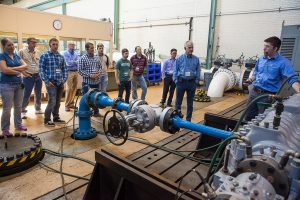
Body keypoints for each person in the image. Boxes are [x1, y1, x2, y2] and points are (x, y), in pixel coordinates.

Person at [245, 36, 300, 121]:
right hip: (254, 93)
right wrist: (250, 80)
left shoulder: (283, 63)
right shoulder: (261, 59)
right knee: (248, 117)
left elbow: (292, 79)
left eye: (267, 46)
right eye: (264, 46)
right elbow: (256, 73)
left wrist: (299, 90)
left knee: (262, 120)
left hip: (267, 96)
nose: (264, 48)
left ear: (275, 48)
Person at [0, 38, 29, 135]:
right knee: (7, 108)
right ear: (3, 46)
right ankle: (5, 128)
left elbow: (25, 66)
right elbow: (4, 70)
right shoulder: (2, 56)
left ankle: (18, 125)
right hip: (6, 85)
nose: (11, 47)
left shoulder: (16, 55)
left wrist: (12, 68)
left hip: (18, 85)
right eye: (8, 45)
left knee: (18, 107)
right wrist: (18, 71)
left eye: (12, 44)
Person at [39, 38, 67, 126]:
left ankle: (56, 117)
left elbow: (64, 69)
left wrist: (64, 78)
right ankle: (47, 119)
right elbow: (41, 70)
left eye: (56, 44)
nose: (55, 46)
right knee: (52, 101)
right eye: (53, 44)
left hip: (60, 83)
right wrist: (46, 81)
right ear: (50, 45)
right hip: (50, 83)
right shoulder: (44, 55)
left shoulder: (60, 56)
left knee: (58, 102)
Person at [173, 41, 200, 122]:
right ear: (185, 48)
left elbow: (198, 71)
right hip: (181, 83)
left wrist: (196, 81)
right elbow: (175, 70)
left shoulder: (196, 59)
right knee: (178, 103)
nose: (191, 49)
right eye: (189, 47)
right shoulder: (179, 59)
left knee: (190, 104)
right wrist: (176, 81)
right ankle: (178, 120)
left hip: (192, 83)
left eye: (192, 47)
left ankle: (188, 120)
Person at [19, 37, 43, 119]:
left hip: (38, 75)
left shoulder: (38, 52)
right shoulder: (22, 51)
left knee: (38, 93)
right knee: (26, 94)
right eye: (33, 42)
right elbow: (18, 63)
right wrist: (24, 73)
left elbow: (40, 64)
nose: (34, 44)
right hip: (28, 76)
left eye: (35, 42)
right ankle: (22, 111)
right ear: (28, 43)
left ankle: (38, 108)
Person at [78, 42, 102, 117]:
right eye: (91, 48)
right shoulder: (82, 58)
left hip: (96, 82)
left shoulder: (96, 58)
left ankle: (96, 112)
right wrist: (90, 75)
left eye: (93, 48)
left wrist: (98, 74)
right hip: (87, 83)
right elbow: (80, 70)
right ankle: (87, 113)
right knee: (87, 99)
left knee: (96, 97)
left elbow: (100, 67)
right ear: (86, 49)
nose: (93, 49)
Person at [63, 41, 79, 112]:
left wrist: (74, 62)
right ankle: (67, 105)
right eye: (71, 45)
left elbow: (78, 62)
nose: (73, 46)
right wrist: (75, 62)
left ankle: (72, 103)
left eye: (74, 45)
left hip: (76, 71)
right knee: (69, 89)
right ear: (68, 45)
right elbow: (68, 63)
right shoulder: (65, 53)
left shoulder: (75, 53)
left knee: (74, 88)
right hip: (69, 72)